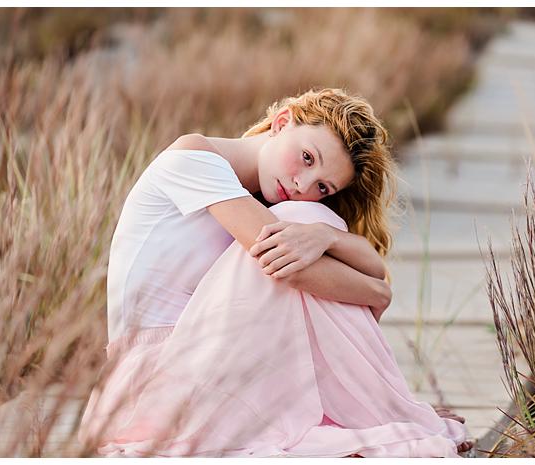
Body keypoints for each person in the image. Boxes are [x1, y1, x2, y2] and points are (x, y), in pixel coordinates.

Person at [78, 88, 472, 457]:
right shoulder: (193, 157)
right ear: (283, 122)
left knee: (307, 224)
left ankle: (382, 407)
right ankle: (381, 408)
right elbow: (288, 265)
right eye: (307, 158)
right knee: (297, 223)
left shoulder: (256, 198)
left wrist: (327, 238)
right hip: (152, 385)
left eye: (323, 187)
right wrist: (378, 293)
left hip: (199, 363)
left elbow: (369, 264)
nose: (303, 184)